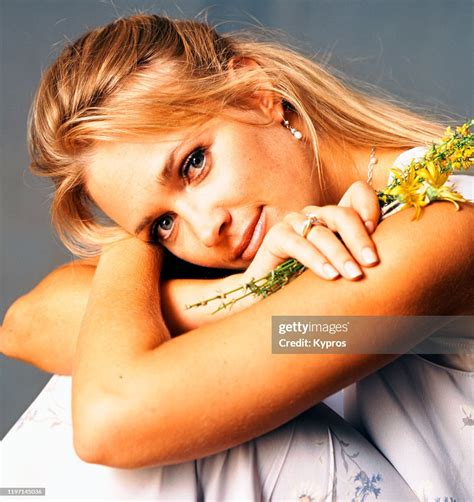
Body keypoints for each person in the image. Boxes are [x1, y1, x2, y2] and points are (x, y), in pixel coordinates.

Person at [1, 14, 472, 502]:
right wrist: (231, 293)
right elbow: (23, 325)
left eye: (194, 164)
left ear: (258, 93)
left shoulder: (438, 225)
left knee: (151, 402)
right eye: (164, 224)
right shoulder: (259, 252)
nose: (207, 228)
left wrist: (142, 248)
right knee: (115, 346)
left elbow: (110, 416)